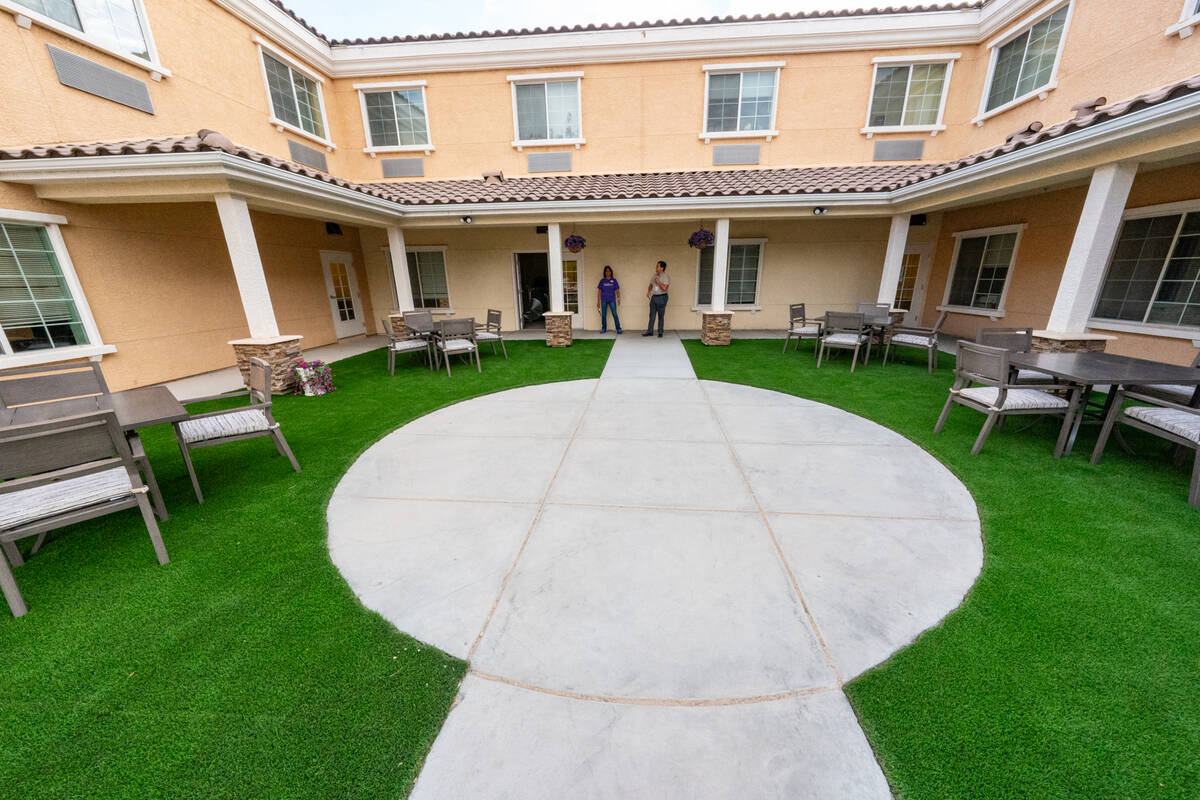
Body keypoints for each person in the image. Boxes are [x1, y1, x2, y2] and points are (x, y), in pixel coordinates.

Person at [643, 260, 669, 337]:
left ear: (662, 268)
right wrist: (648, 291)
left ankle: (660, 332)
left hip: (662, 297)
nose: (656, 267)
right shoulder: (654, 276)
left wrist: (659, 282)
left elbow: (664, 288)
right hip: (654, 297)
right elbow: (651, 284)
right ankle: (650, 331)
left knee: (661, 315)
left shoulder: (665, 277)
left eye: (657, 266)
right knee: (652, 315)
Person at [596, 265, 622, 334]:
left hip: (612, 300)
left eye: (609, 271)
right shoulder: (602, 281)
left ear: (611, 272)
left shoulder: (614, 280)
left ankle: (618, 328)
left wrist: (618, 298)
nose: (607, 272)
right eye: (606, 271)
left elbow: (617, 290)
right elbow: (599, 292)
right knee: (604, 315)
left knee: (614, 314)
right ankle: (604, 328)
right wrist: (598, 301)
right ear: (604, 272)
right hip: (604, 300)